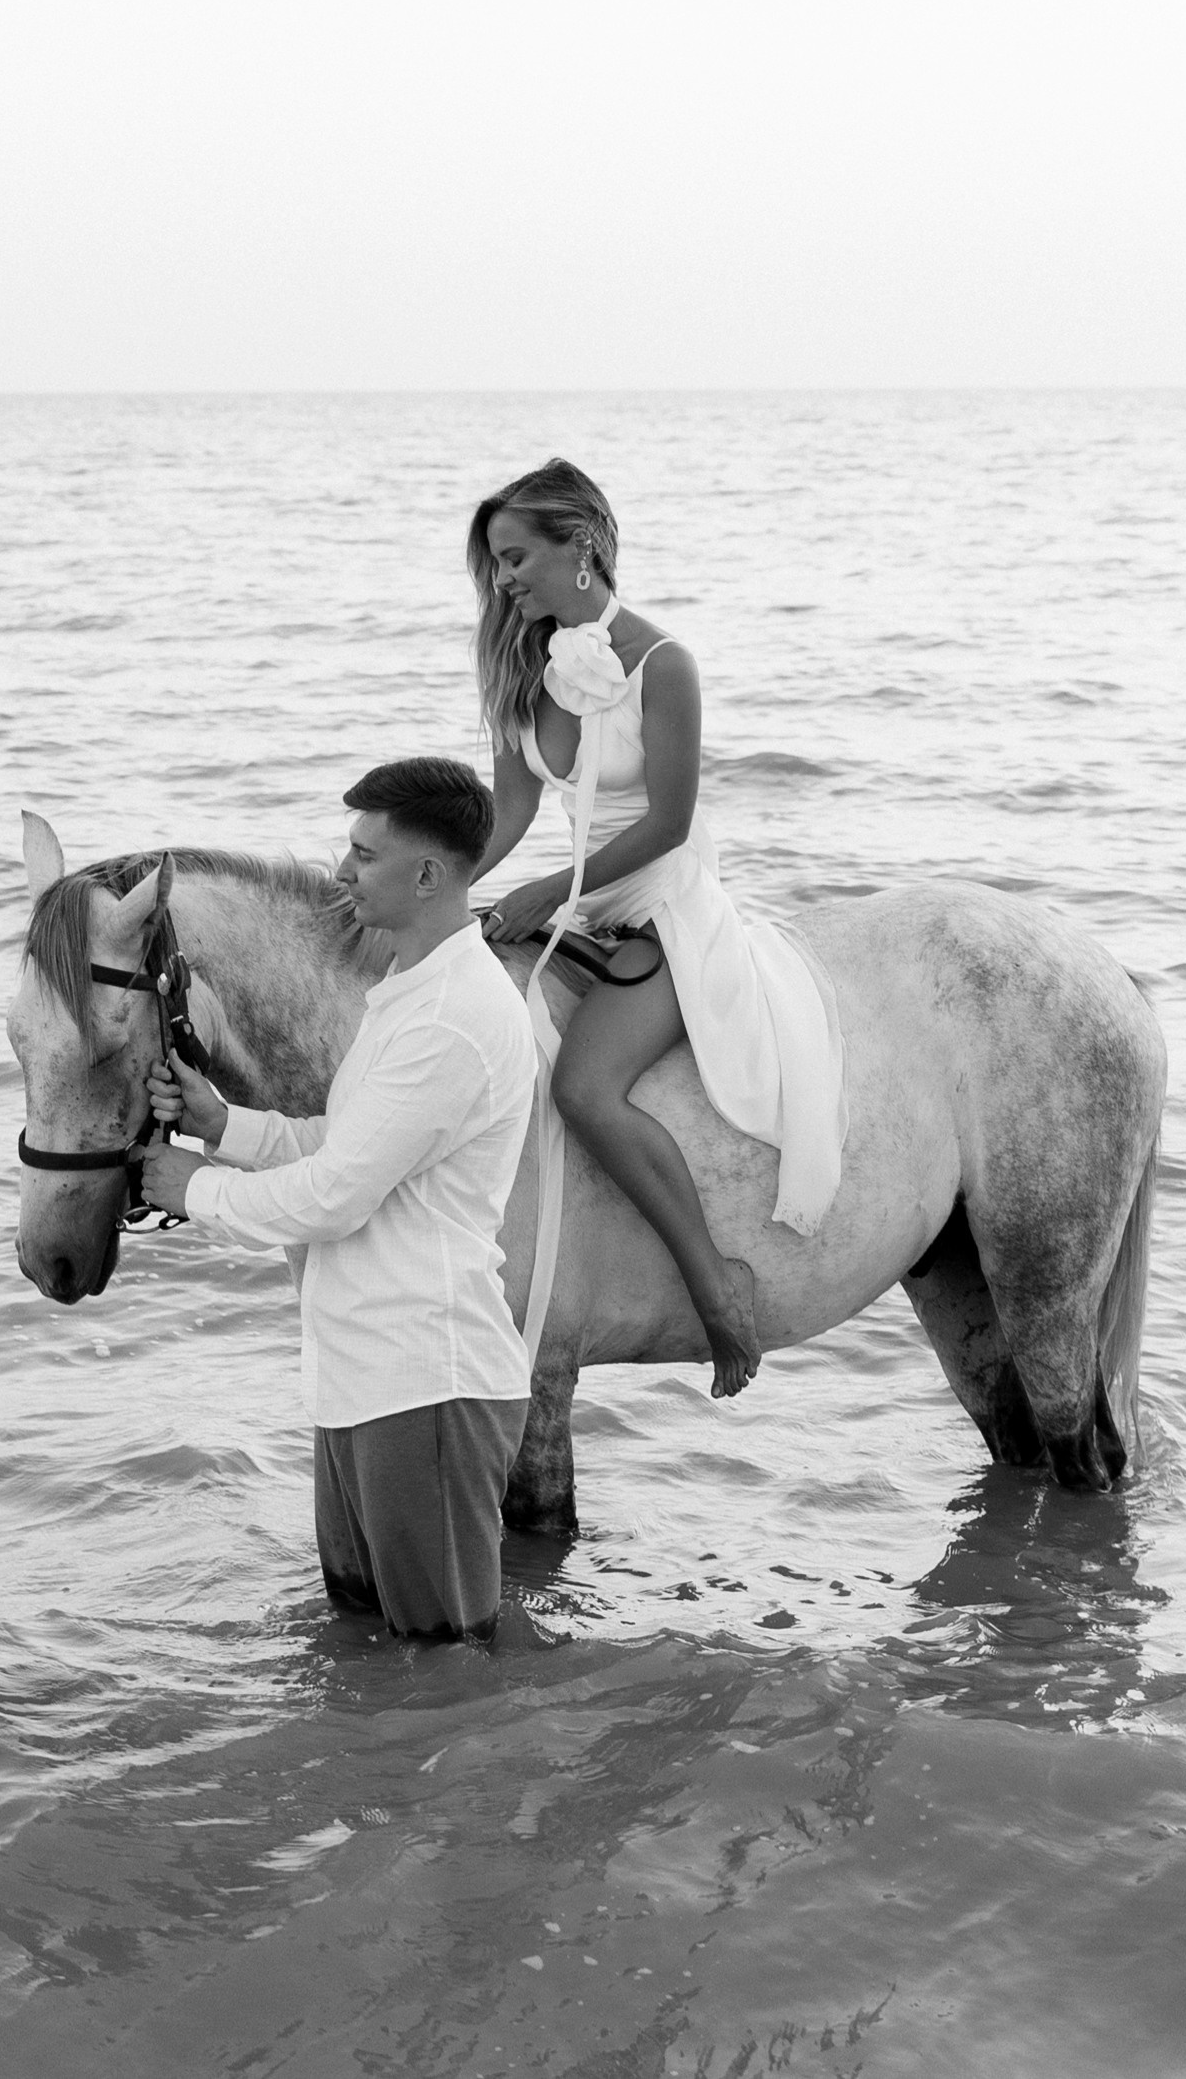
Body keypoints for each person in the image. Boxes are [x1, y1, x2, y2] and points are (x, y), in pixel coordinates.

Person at [467, 457, 846, 1400]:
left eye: (515, 558)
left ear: (581, 546)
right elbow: (508, 813)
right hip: (584, 907)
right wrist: (431, 894)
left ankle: (717, 1285)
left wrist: (548, 891)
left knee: (584, 1088)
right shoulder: (523, 667)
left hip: (666, 902)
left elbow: (669, 823)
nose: (503, 580)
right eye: (496, 564)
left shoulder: (663, 664)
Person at [135, 756, 536, 1643]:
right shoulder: (406, 996)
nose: (342, 871)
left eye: (364, 854)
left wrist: (195, 1190)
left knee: (444, 1663)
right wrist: (225, 1125)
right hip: (363, 1377)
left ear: (426, 876)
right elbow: (344, 1144)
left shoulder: (451, 1018)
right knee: (360, 1642)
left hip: (425, 1384)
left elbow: (335, 1197)